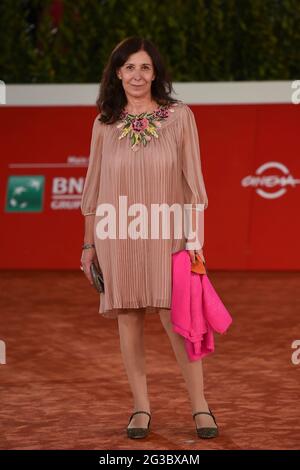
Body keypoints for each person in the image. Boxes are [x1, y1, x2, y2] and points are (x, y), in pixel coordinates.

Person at [80, 36, 218, 439]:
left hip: (168, 233)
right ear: (117, 74)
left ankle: (200, 407)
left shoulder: (179, 117)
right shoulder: (105, 123)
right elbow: (93, 187)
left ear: (155, 73)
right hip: (116, 233)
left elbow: (194, 183)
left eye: (145, 67)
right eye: (129, 68)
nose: (137, 75)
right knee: (128, 318)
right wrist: (89, 246)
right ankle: (140, 408)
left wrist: (195, 241)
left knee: (180, 321)